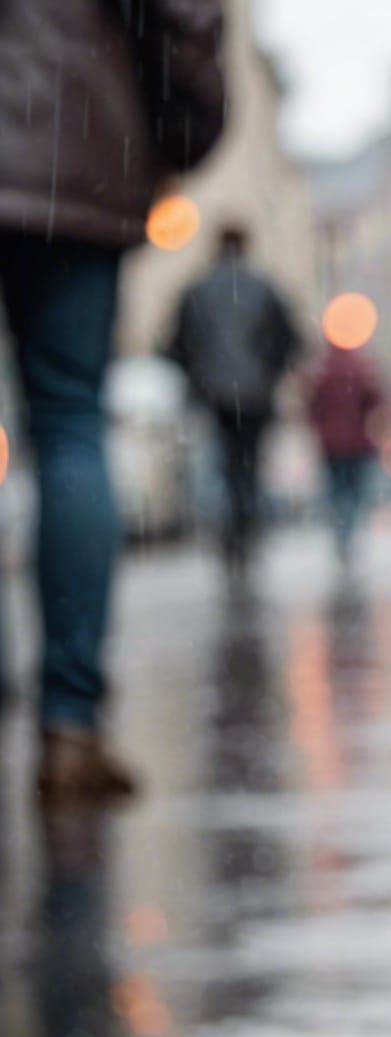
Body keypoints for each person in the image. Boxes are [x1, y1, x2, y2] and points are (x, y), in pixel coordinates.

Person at [0, 0, 225, 800]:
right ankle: (69, 726)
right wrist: (183, 130)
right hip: (69, 152)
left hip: (69, 150)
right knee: (68, 422)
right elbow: (183, 20)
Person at [167, 225, 298, 565]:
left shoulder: (197, 290)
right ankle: (246, 527)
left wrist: (198, 376)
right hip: (256, 395)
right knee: (249, 466)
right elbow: (290, 339)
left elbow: (175, 344)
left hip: (215, 395)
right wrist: (270, 372)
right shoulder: (265, 288)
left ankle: (230, 529)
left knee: (223, 463)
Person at [306, 342, 389, 562]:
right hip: (357, 444)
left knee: (337, 491)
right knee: (354, 491)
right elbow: (377, 400)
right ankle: (347, 530)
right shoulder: (360, 369)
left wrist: (320, 428)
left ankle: (341, 531)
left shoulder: (323, 372)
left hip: (331, 445)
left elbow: (312, 406)